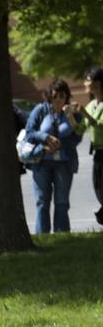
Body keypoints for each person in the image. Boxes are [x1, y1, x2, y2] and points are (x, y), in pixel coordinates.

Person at [23, 78, 85, 234]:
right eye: (55, 95)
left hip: (64, 163)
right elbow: (29, 133)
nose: (58, 99)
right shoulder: (40, 110)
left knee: (62, 202)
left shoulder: (73, 113)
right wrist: (46, 139)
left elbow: (77, 137)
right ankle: (42, 236)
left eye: (62, 96)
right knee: (42, 202)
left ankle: (62, 236)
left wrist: (72, 118)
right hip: (41, 161)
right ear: (49, 96)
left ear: (67, 96)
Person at [79, 67, 103, 225]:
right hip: (98, 154)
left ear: (98, 82)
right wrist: (71, 117)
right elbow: (80, 129)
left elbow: (99, 125)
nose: (85, 83)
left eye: (88, 79)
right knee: (98, 189)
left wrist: (86, 114)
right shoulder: (91, 105)